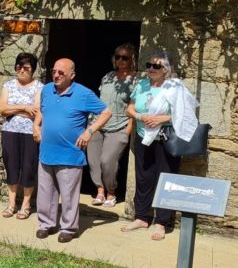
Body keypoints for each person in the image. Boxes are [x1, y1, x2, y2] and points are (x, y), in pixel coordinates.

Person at [121, 51, 198, 241]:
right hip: (143, 137)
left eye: (156, 66)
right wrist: (140, 116)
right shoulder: (141, 85)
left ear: (166, 69)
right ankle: (141, 217)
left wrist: (161, 119)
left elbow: (185, 114)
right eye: (149, 65)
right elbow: (129, 108)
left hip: (166, 139)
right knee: (143, 177)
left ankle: (161, 222)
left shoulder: (175, 87)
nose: (151, 69)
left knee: (166, 180)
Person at [33, 59, 112, 243]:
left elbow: (106, 112)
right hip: (46, 152)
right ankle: (46, 224)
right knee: (45, 192)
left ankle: (68, 228)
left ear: (72, 75)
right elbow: (41, 110)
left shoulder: (83, 94)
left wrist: (89, 132)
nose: (56, 75)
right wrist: (36, 126)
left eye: (61, 72)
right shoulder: (47, 90)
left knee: (68, 195)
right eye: (54, 71)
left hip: (70, 153)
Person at [87, 44, 137, 207]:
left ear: (132, 59)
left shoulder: (136, 80)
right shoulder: (108, 77)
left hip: (119, 126)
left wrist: (128, 130)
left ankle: (111, 192)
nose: (121, 60)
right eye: (118, 57)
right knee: (93, 161)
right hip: (98, 123)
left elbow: (134, 106)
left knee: (107, 161)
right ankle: (100, 191)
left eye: (125, 58)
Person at [0, 52, 44, 220]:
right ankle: (11, 204)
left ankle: (26, 204)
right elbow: (2, 109)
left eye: (26, 67)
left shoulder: (39, 87)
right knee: (11, 165)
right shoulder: (8, 85)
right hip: (10, 131)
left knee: (28, 166)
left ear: (33, 70)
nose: (22, 70)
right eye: (18, 67)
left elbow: (37, 111)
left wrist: (13, 109)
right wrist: (24, 108)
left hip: (30, 132)